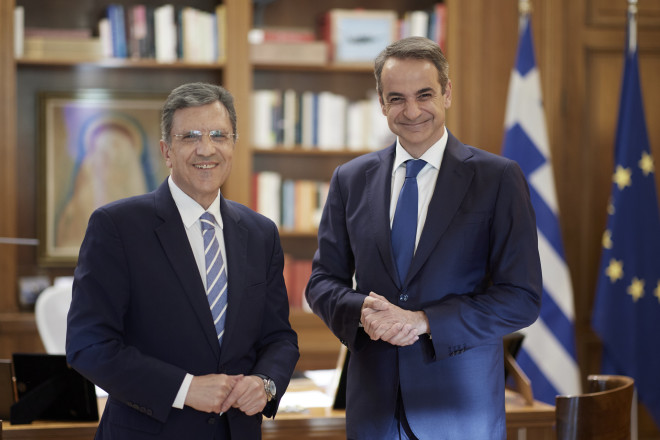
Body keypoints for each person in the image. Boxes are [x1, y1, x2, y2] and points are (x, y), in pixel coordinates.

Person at [305, 37, 542, 440]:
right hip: (374, 413)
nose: (412, 111)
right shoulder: (350, 179)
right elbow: (322, 281)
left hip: (459, 413)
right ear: (381, 104)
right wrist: (361, 311)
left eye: (424, 95)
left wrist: (424, 321)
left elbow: (522, 297)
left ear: (447, 93)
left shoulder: (497, 178)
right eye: (396, 98)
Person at [66, 82, 300, 440]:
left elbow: (279, 337)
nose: (206, 148)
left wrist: (265, 383)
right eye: (190, 136)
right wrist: (185, 388)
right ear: (167, 151)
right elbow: (89, 346)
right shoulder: (116, 227)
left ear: (233, 145)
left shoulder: (260, 233)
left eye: (219, 135)